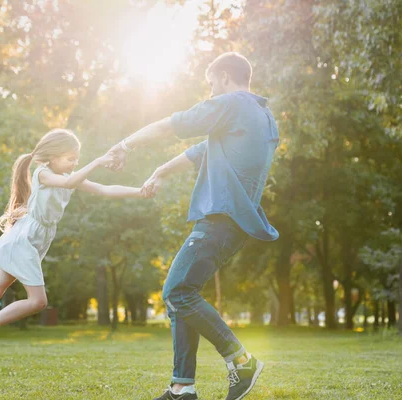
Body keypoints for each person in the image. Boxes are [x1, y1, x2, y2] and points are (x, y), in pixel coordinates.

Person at [105, 52, 279, 400]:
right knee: (185, 293)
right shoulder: (261, 116)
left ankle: (241, 360)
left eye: (212, 81)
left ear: (226, 76)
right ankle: (182, 388)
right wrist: (158, 172)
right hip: (231, 223)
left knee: (176, 292)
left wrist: (124, 144)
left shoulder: (231, 103)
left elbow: (173, 125)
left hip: (220, 219)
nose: (210, 89)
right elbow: (199, 151)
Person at [0, 128, 143, 373]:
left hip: (32, 239)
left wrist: (140, 191)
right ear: (52, 156)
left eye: (76, 159)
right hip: (26, 239)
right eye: (70, 158)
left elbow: (105, 189)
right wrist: (100, 161)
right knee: (38, 301)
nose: (74, 163)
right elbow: (70, 181)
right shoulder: (43, 174)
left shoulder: (69, 176)